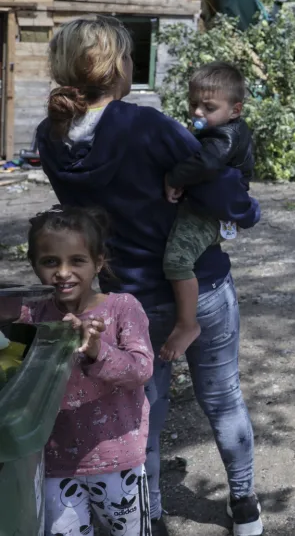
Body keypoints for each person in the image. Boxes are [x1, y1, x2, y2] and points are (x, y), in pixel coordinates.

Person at [36, 16, 263, 535]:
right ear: (117, 66)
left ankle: (151, 513)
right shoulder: (146, 124)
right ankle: (246, 508)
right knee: (223, 396)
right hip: (199, 286)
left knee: (142, 413)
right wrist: (246, 212)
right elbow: (220, 188)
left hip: (122, 297)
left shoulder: (50, 139)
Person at [20, 206, 154, 536]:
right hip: (54, 462)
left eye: (76, 260)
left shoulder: (123, 308)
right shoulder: (32, 314)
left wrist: (96, 349)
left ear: (98, 262)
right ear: (34, 265)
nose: (63, 272)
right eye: (50, 261)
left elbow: (141, 370)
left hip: (118, 459)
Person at [160, 61, 256, 362]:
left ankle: (188, 324)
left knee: (176, 261)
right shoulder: (222, 129)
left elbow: (207, 164)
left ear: (235, 110)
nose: (198, 112)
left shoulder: (223, 137)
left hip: (210, 214)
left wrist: (174, 177)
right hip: (214, 210)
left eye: (208, 107)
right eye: (194, 105)